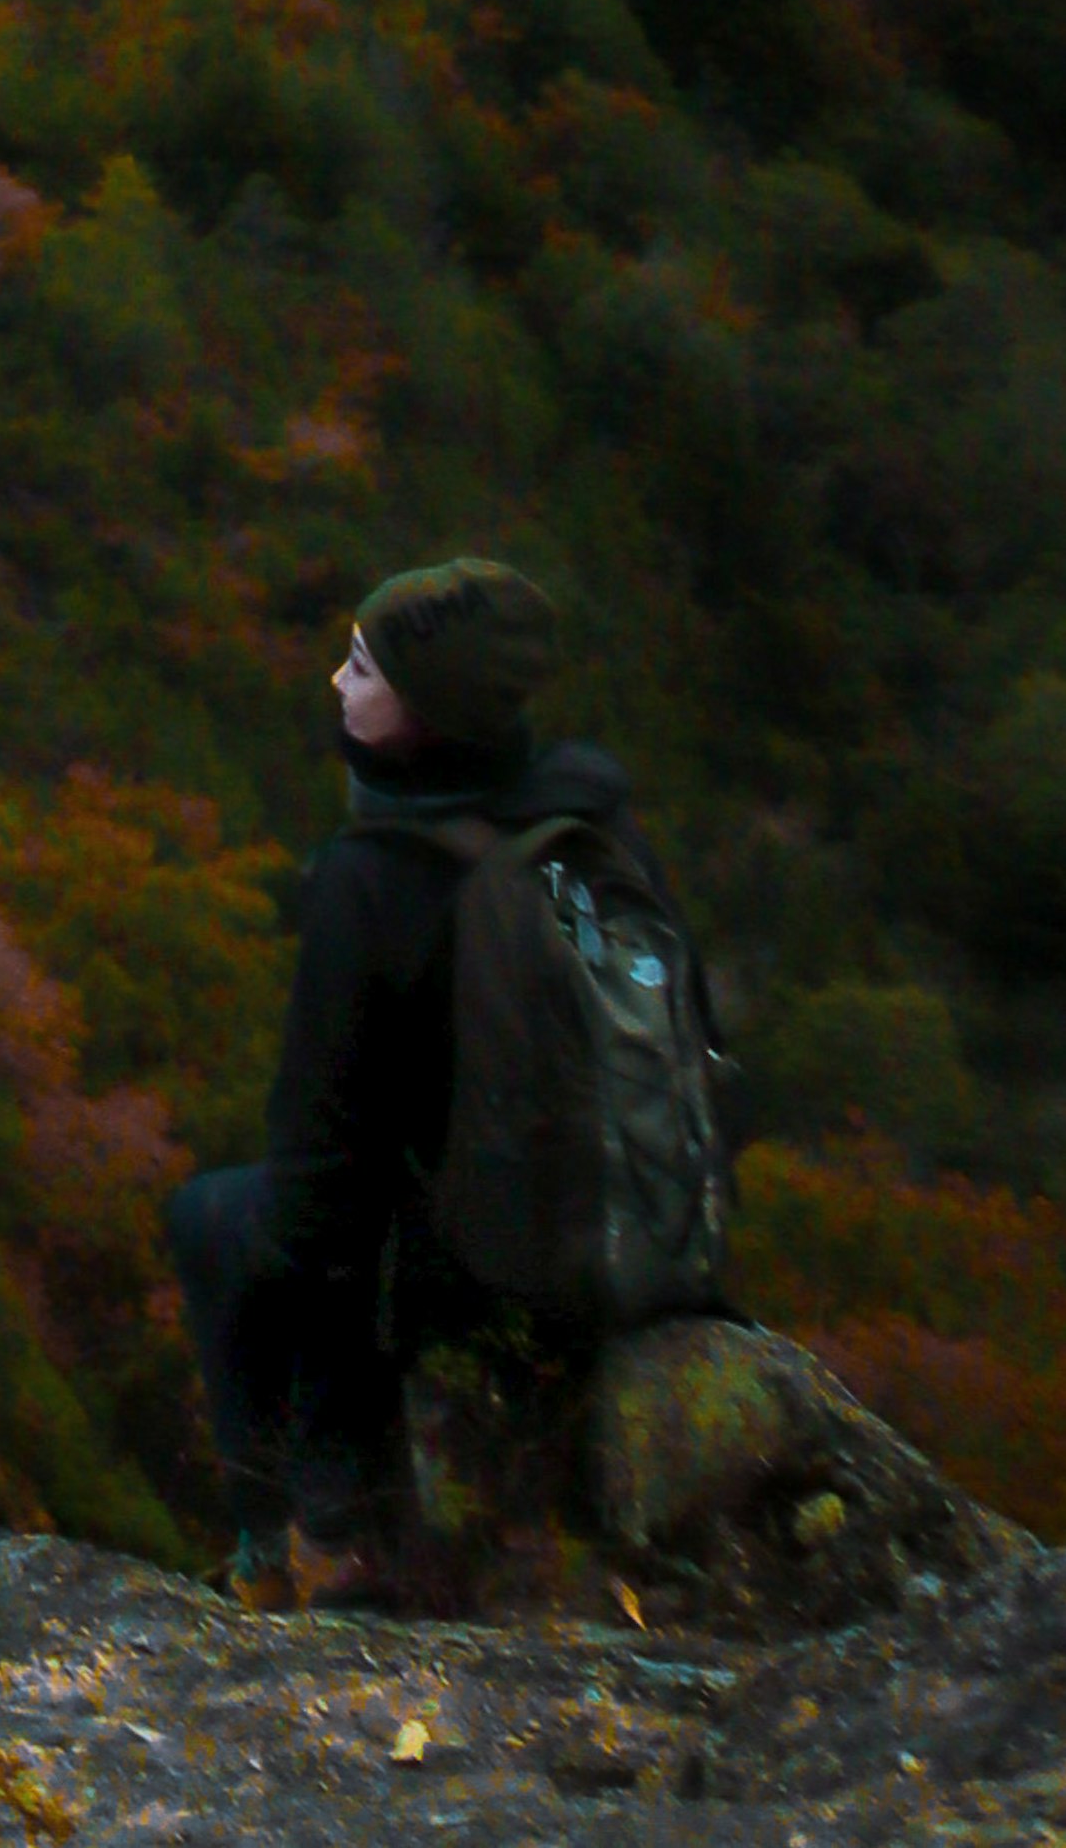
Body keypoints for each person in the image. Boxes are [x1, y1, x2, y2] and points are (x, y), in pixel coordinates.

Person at [166, 553, 647, 1608]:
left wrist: (303, 1323)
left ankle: (294, 1536)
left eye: (363, 670)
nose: (338, 686)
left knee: (214, 1218)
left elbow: (315, 1186)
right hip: (608, 1236)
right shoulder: (583, 816)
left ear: (423, 713)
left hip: (465, 1267)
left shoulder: (371, 883)